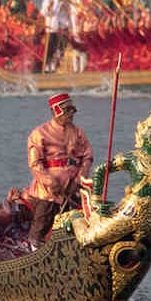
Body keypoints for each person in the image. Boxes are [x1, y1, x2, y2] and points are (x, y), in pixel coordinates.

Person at [73, 77, 151, 259]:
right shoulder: (133, 158)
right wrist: (97, 202)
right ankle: (76, 220)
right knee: (90, 238)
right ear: (145, 134)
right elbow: (101, 170)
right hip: (130, 212)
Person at [26, 93, 93, 246]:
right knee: (41, 224)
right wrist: (51, 182)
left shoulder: (78, 132)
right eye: (67, 110)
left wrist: (80, 178)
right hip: (48, 190)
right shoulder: (39, 133)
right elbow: (35, 164)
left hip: (73, 187)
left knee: (81, 221)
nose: (71, 114)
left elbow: (87, 156)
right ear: (56, 111)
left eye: (72, 110)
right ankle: (35, 249)